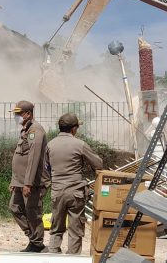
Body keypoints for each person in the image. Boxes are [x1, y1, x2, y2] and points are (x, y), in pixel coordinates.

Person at [44, 112, 103, 254]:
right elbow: (98, 164)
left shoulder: (50, 145)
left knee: (56, 227)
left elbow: (46, 168)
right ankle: (73, 257)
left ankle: (53, 255)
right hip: (76, 193)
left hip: (57, 191)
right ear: (73, 129)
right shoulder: (79, 144)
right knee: (75, 229)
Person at [9, 100, 48, 253]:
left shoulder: (35, 130)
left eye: (18, 113)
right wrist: (14, 181)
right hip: (20, 181)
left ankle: (36, 243)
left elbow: (33, 158)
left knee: (32, 212)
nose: (16, 116)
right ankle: (34, 239)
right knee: (14, 207)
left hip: (31, 182)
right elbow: (20, 158)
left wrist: (28, 183)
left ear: (28, 114)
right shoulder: (26, 130)